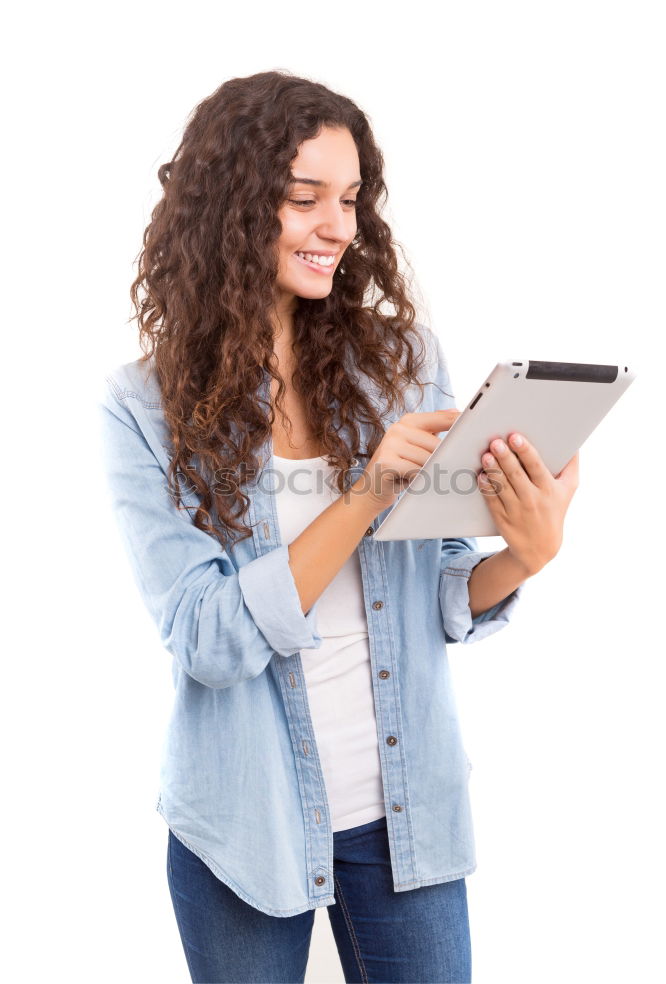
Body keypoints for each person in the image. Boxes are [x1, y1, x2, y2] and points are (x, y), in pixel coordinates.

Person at [97, 70, 579, 984]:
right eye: (304, 198)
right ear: (231, 209)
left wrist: (524, 554)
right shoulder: (141, 408)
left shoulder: (401, 365)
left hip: (408, 816)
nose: (339, 227)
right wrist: (362, 493)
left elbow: (438, 584)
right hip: (244, 828)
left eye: (352, 199)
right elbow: (206, 637)